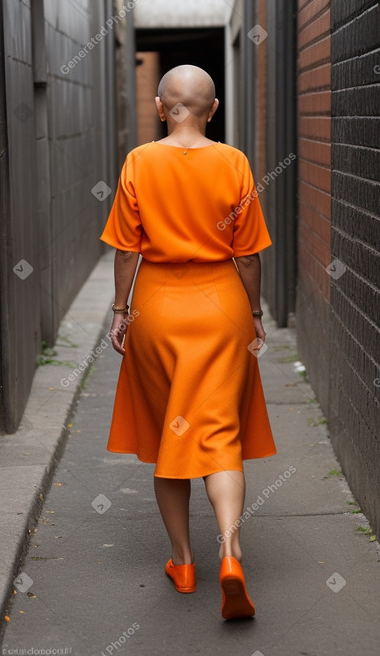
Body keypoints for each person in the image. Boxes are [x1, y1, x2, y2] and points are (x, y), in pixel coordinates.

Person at [100, 64, 276, 620]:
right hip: (221, 305)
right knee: (220, 427)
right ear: (214, 108)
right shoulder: (234, 163)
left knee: (169, 426)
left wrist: (121, 312)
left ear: (159, 107)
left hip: (157, 308)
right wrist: (253, 313)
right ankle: (230, 550)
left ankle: (183, 562)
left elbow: (127, 250)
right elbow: (246, 253)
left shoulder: (139, 162)